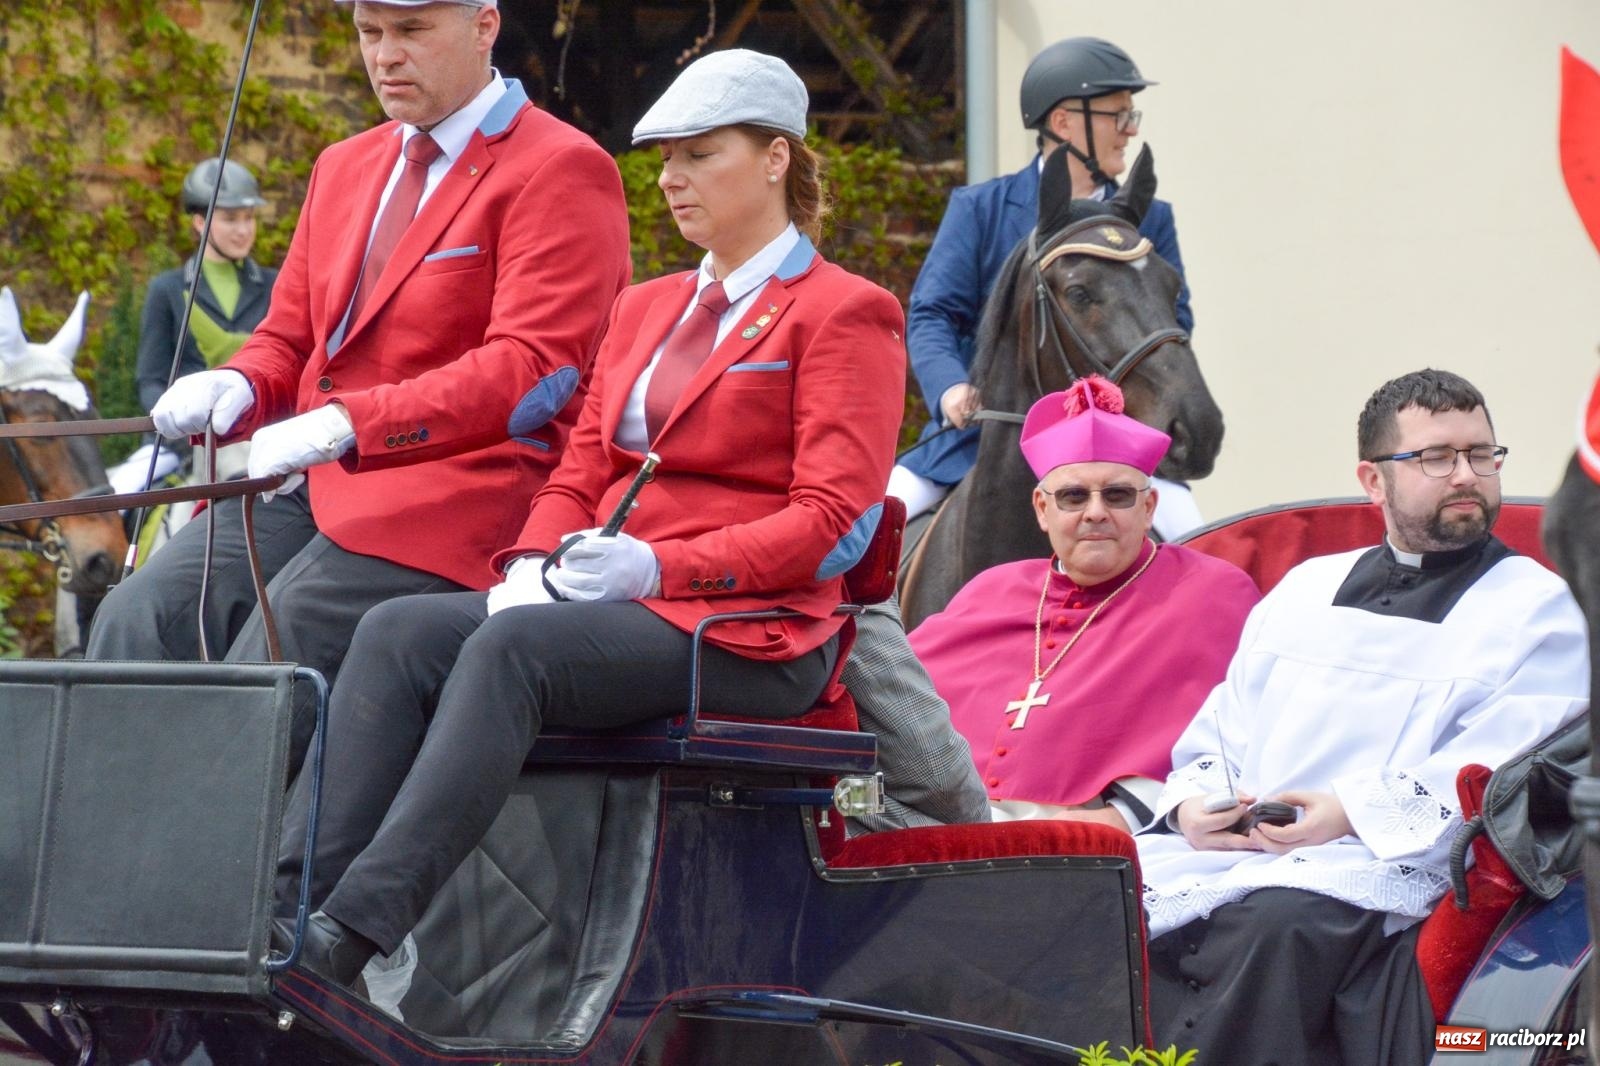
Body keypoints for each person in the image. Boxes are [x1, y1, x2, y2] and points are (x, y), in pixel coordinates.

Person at [269, 49, 909, 987]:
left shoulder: (848, 312)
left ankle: (352, 936)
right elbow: (578, 469)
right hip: (612, 600)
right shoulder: (645, 306)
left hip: (749, 631)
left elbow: (829, 523)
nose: (671, 179)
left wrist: (658, 571)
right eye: (665, 158)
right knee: (399, 631)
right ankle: (284, 910)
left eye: (699, 154)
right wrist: (531, 563)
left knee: (511, 655)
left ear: (777, 159)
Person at [86, 0, 631, 758]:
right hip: (316, 488)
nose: (385, 56)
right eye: (370, 34)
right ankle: (94, 853)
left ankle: (227, 871)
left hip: (453, 495)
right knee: (138, 616)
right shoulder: (343, 166)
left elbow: (533, 372)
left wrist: (351, 423)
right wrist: (242, 382)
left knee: (273, 656)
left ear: (484, 26)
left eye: (410, 32)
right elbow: (291, 338)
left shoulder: (561, 167)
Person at [1136, 369, 1589, 1064]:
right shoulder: (1303, 589)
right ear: (1373, 481)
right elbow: (1224, 725)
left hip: (1377, 858)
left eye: (1481, 455)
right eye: (1437, 457)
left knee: (1277, 926)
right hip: (1238, 850)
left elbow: (1502, 765)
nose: (1466, 474)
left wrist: (1345, 812)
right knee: (1097, 900)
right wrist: (1198, 804)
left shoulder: (1537, 608)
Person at [908, 376, 1257, 831]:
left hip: (1097, 836)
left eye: (1117, 495)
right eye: (1074, 496)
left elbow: (1229, 736)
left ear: (1149, 507)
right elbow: (898, 696)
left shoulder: (1211, 592)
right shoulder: (989, 591)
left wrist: (1121, 817)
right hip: (941, 824)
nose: (1095, 511)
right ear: (1041, 508)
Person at [890, 36, 1200, 538]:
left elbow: (1173, 323)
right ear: (1062, 123)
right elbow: (933, 315)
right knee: (870, 538)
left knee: (1199, 544)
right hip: (981, 440)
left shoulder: (1150, 218)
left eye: (1131, 116)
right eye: (1117, 116)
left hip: (1111, 445)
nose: (1129, 131)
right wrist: (951, 389)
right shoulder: (981, 208)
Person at [111, 159, 278, 494]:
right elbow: (151, 379)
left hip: (258, 434)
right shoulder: (167, 290)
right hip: (184, 442)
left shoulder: (277, 285)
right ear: (200, 223)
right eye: (231, 219)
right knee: (119, 496)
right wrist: (182, 430)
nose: (243, 230)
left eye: (249, 219)